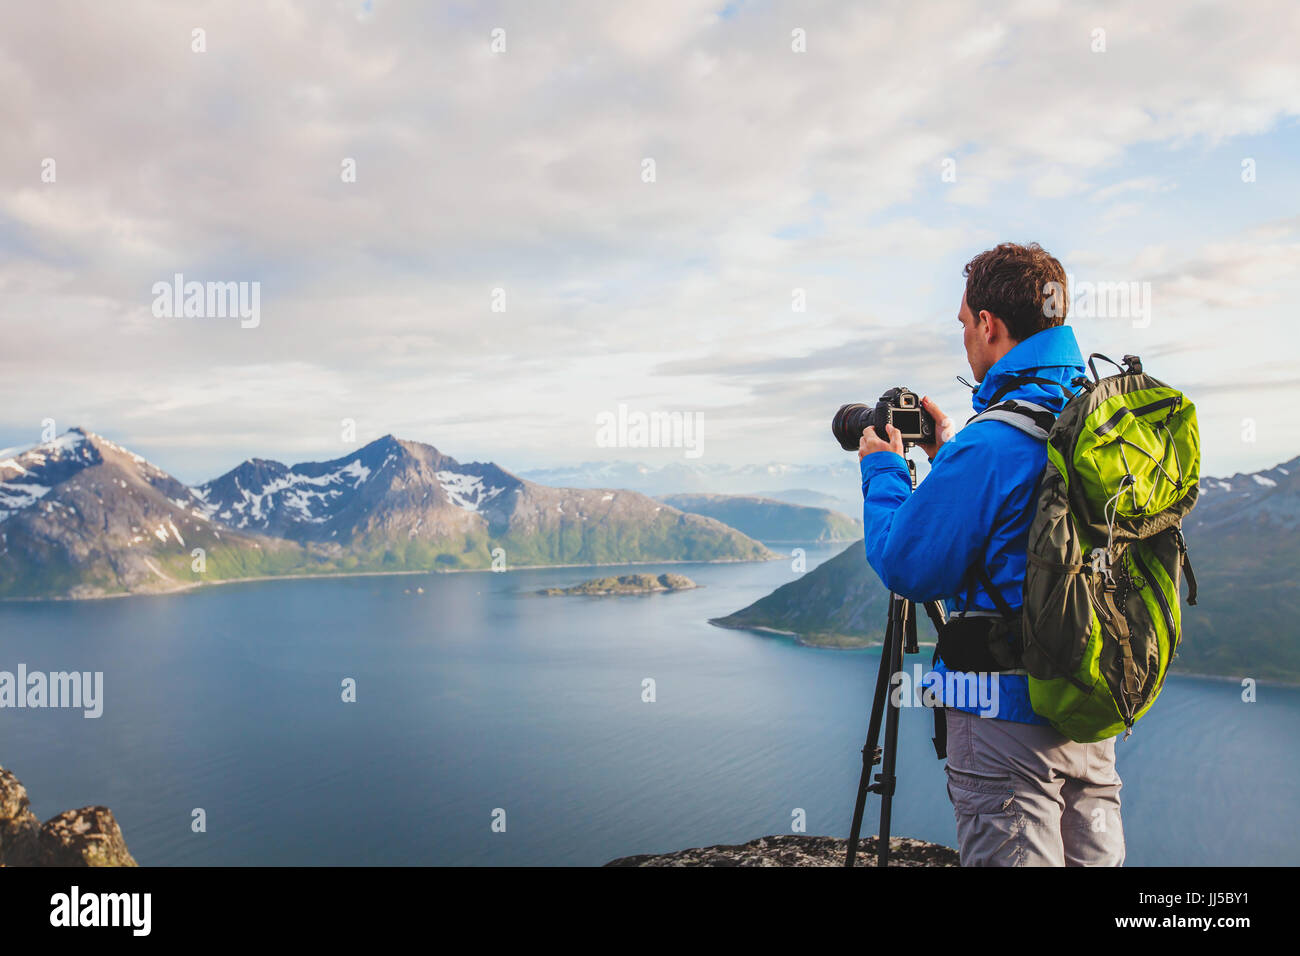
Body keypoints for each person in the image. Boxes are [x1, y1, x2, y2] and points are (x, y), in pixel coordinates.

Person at [856, 242, 1125, 867]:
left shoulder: (994, 442)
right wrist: (949, 451)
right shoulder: (1091, 418)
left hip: (1004, 720)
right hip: (1089, 699)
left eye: (963, 323)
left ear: (989, 325)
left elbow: (909, 566)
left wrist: (883, 471)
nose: (964, 338)